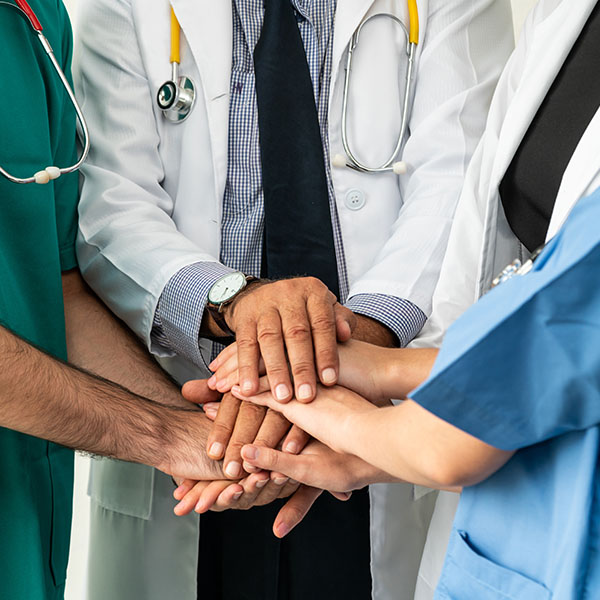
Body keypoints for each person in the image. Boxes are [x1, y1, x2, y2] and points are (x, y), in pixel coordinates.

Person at [73, 0, 513, 598]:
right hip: (199, 422)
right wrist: (234, 302)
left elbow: (461, 184)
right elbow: (111, 210)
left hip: (375, 428)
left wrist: (360, 344)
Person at [197, 0, 600, 597]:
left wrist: (315, 392)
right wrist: (374, 379)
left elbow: (460, 438)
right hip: (508, 475)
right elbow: (497, 254)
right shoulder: (565, 14)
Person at [0, 2, 305, 598]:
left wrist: (210, 436)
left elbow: (58, 291)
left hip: (27, 516)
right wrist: (166, 435)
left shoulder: (32, 19)